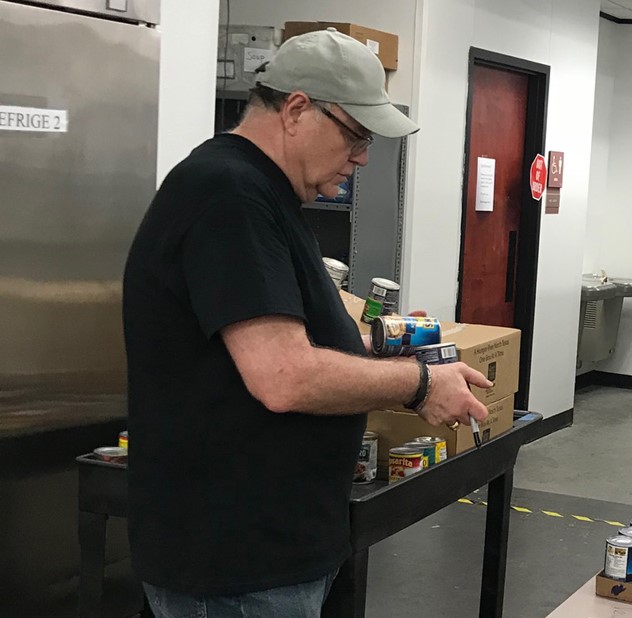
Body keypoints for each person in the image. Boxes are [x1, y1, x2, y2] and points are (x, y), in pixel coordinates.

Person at [122, 29, 490, 617]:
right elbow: (284, 376)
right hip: (236, 560)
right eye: (355, 135)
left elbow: (277, 340)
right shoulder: (229, 195)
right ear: (296, 110)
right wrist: (419, 384)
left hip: (272, 546)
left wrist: (379, 347)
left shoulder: (263, 193)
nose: (362, 156)